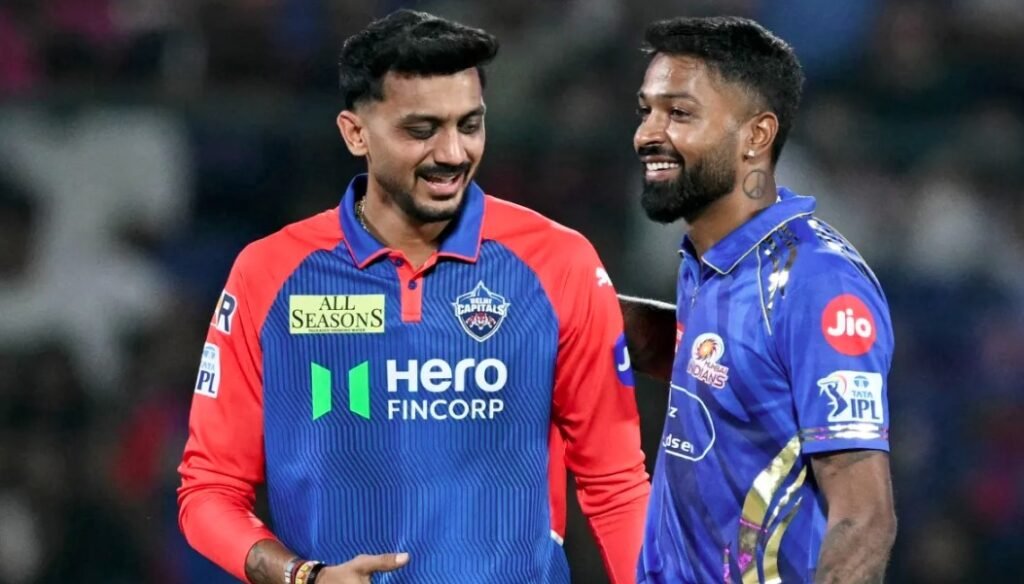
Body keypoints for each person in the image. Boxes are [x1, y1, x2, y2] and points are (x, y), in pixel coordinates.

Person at [177, 9, 650, 584]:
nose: (452, 153)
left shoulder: (559, 264)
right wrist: (304, 577)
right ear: (356, 133)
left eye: (469, 125)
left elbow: (615, 485)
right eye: (421, 130)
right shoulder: (269, 274)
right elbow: (209, 490)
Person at [626, 16, 897, 584]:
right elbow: (725, 363)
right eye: (646, 111)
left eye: (679, 113)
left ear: (756, 135)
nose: (648, 134)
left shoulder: (817, 282)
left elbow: (864, 520)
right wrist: (565, 304)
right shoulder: (713, 260)